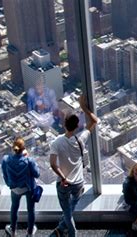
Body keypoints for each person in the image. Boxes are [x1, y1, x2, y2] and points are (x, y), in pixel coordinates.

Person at [49, 95, 98, 237]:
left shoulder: (57, 142)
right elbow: (95, 121)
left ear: (64, 124)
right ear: (77, 126)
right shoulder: (81, 139)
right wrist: (83, 107)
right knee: (71, 207)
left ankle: (72, 233)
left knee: (67, 212)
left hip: (65, 183)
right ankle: (60, 228)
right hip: (78, 183)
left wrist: (63, 178)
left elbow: (53, 164)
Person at [2, 138, 40, 237]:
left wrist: (9, 184)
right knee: (31, 210)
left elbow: (5, 175)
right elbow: (37, 174)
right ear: (24, 148)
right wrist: (29, 159)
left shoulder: (6, 160)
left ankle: (13, 230)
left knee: (14, 208)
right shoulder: (29, 160)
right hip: (28, 188)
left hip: (14, 188)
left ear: (13, 148)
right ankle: (30, 232)